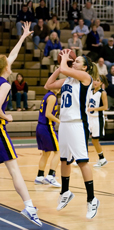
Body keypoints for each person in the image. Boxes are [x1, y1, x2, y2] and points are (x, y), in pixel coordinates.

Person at [44, 50, 100, 219]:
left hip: (78, 124)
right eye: (73, 61)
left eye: (77, 61)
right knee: (64, 160)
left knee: (82, 162)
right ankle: (65, 192)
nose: (73, 63)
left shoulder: (86, 78)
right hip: (65, 124)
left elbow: (65, 69)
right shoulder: (68, 79)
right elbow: (48, 85)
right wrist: (59, 67)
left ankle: (92, 199)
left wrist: (64, 61)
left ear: (85, 67)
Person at [0, 22, 42, 227]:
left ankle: (30, 206)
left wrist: (23, 37)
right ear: (6, 67)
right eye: (9, 62)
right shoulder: (5, 84)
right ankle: (29, 207)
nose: (12, 62)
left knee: (13, 169)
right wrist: (6, 117)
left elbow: (12, 55)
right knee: (14, 169)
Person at [35, 89, 61, 187]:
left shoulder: (47, 95)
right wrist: (59, 121)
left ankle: (39, 176)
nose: (58, 88)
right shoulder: (52, 97)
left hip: (41, 126)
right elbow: (48, 114)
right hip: (47, 127)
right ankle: (51, 176)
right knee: (59, 151)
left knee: (46, 153)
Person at [88, 75, 108, 167]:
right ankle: (81, 158)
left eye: (97, 80)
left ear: (101, 83)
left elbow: (105, 107)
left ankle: (102, 159)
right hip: (89, 118)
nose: (95, 82)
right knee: (84, 137)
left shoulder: (102, 93)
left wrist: (94, 109)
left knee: (95, 140)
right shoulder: (90, 91)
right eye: (94, 80)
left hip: (97, 119)